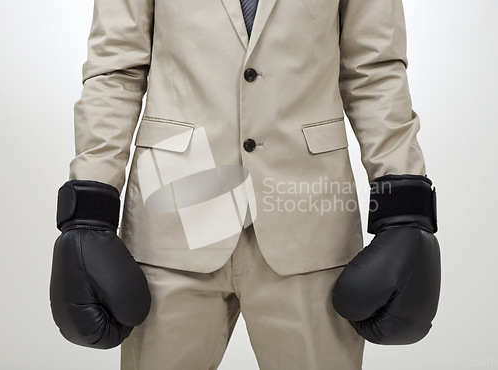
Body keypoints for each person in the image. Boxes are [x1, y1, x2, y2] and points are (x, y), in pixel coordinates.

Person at [49, 0, 441, 369]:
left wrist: (404, 209)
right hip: (176, 216)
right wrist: (88, 212)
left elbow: (375, 71)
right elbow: (116, 71)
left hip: (307, 222)